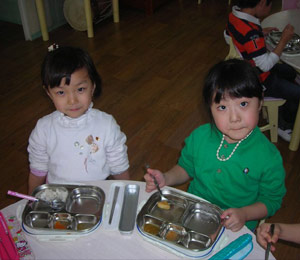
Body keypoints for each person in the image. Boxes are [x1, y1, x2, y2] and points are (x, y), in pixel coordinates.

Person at [144, 59, 286, 232]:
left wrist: (244, 214)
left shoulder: (268, 156)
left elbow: (271, 200)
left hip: (236, 225)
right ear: (210, 110)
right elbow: (186, 168)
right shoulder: (200, 136)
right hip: (194, 212)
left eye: (243, 104)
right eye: (222, 107)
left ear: (260, 102)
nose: (235, 118)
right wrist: (166, 178)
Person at [28, 45, 130, 195]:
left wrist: (127, 197)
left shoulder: (107, 125)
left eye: (80, 89)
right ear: (49, 93)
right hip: (59, 197)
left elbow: (119, 167)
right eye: (61, 92)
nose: (72, 100)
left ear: (93, 86)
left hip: (97, 196)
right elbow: (38, 170)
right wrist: (30, 201)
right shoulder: (44, 128)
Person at [225, 0, 300, 142]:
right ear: (261, 3)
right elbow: (265, 66)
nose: (270, 8)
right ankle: (284, 126)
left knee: (290, 72)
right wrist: (283, 40)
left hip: (248, 67)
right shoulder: (251, 32)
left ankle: (284, 107)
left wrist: (259, 34)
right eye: (270, 5)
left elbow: (228, 36)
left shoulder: (234, 15)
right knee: (298, 94)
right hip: (259, 79)